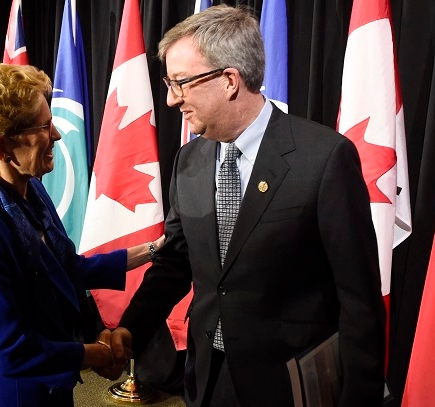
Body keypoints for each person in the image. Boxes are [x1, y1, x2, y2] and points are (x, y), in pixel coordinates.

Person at [106, 5, 386, 406]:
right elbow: (175, 262)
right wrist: (131, 328)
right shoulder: (189, 160)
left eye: (180, 83)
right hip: (207, 378)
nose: (171, 100)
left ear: (229, 80)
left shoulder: (324, 159)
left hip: (288, 385)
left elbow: (359, 301)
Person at [0, 63, 158, 406]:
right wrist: (98, 355)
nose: (55, 134)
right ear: (2, 147)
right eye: (44, 125)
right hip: (3, 395)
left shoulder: (31, 191)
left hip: (50, 387)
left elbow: (67, 269)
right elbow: (8, 350)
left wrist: (154, 249)